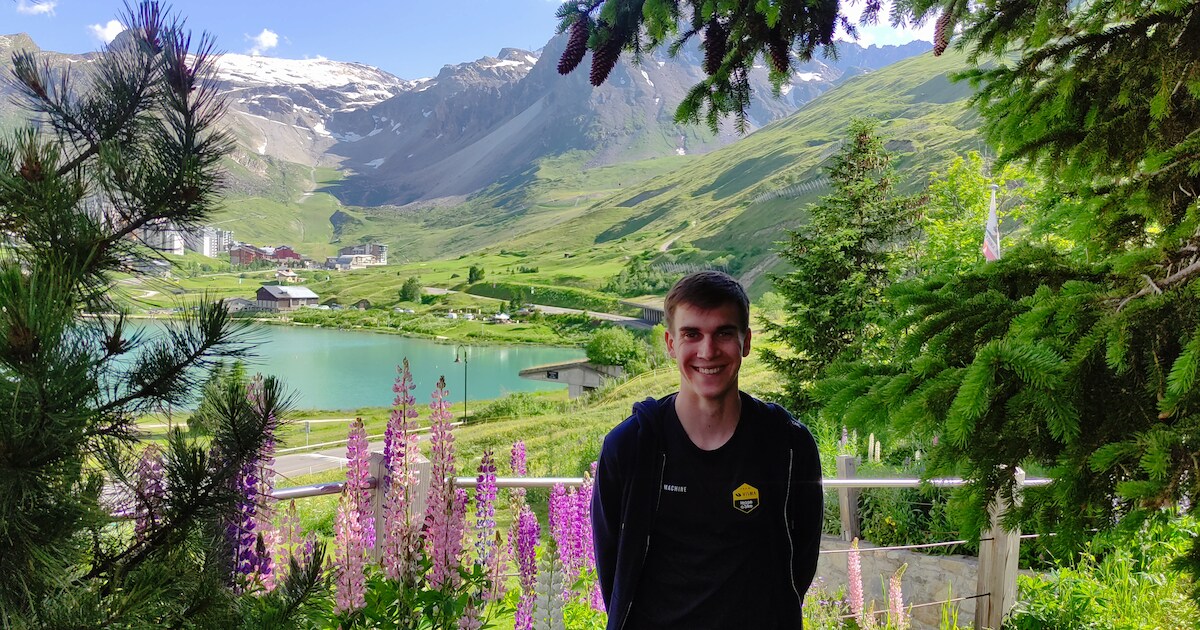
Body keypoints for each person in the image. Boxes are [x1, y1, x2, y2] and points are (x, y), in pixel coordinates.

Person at [591, 270, 823, 629]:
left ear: (746, 342)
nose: (707, 351)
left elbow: (800, 565)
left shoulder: (788, 445)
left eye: (724, 333)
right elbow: (613, 568)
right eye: (692, 334)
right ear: (670, 344)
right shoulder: (629, 447)